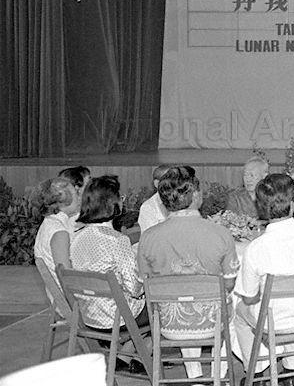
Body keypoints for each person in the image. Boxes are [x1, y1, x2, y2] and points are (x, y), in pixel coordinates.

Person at [138, 165, 239, 382]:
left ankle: (196, 377)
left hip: (167, 323)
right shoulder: (220, 233)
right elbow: (229, 285)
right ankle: (218, 375)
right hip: (212, 321)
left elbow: (143, 284)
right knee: (235, 300)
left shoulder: (148, 237)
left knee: (180, 298)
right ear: (195, 196)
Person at [232, 173, 294, 379]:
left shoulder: (256, 247)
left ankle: (258, 372)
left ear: (261, 207)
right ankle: (290, 370)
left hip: (273, 321)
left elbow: (250, 297)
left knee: (239, 310)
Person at [69, 175, 147, 373]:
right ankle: (143, 354)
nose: (123, 200)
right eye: (120, 197)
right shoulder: (117, 240)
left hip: (88, 316)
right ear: (112, 204)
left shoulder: (76, 238)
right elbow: (135, 288)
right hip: (117, 317)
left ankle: (125, 354)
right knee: (164, 305)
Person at [33, 177, 81, 281]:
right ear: (64, 201)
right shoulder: (59, 232)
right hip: (68, 294)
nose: (79, 197)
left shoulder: (48, 222)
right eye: (75, 193)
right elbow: (67, 276)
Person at [137, 164, 171, 232]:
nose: (175, 184)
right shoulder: (148, 207)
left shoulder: (182, 202)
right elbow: (150, 237)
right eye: (169, 181)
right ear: (157, 184)